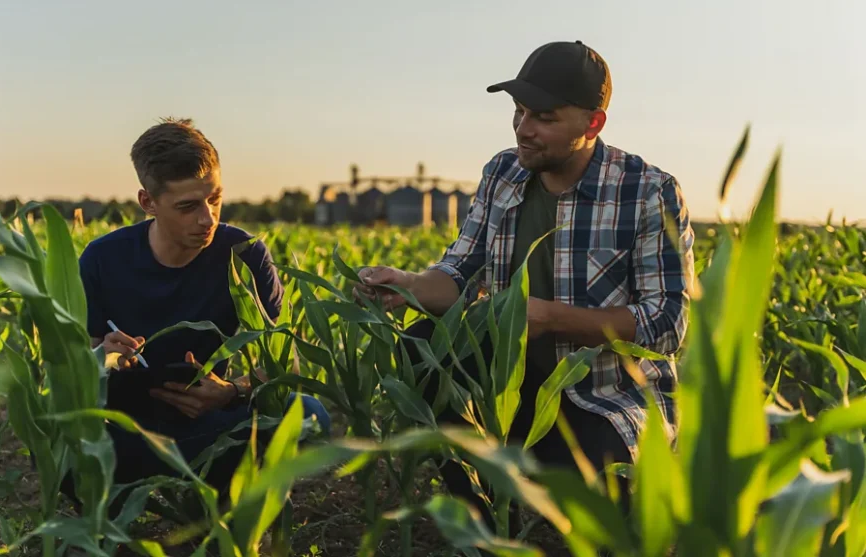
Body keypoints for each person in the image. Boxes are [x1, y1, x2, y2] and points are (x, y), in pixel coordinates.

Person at [354, 41, 694, 539]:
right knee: (424, 345)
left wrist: (548, 317)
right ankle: (486, 529)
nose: (522, 129)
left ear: (593, 124)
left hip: (600, 396)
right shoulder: (503, 173)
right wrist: (407, 285)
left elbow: (667, 324)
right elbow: (460, 273)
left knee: (603, 523)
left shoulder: (648, 191)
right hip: (504, 389)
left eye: (543, 117)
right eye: (517, 112)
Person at [71, 117, 331, 513]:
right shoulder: (103, 260)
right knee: (56, 438)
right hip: (130, 430)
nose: (207, 218)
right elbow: (79, 372)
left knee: (309, 415)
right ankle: (115, 529)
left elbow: (284, 362)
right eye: (188, 207)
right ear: (148, 203)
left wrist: (233, 391)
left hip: (212, 422)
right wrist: (105, 355)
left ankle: (225, 501)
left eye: (215, 199)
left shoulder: (243, 254)